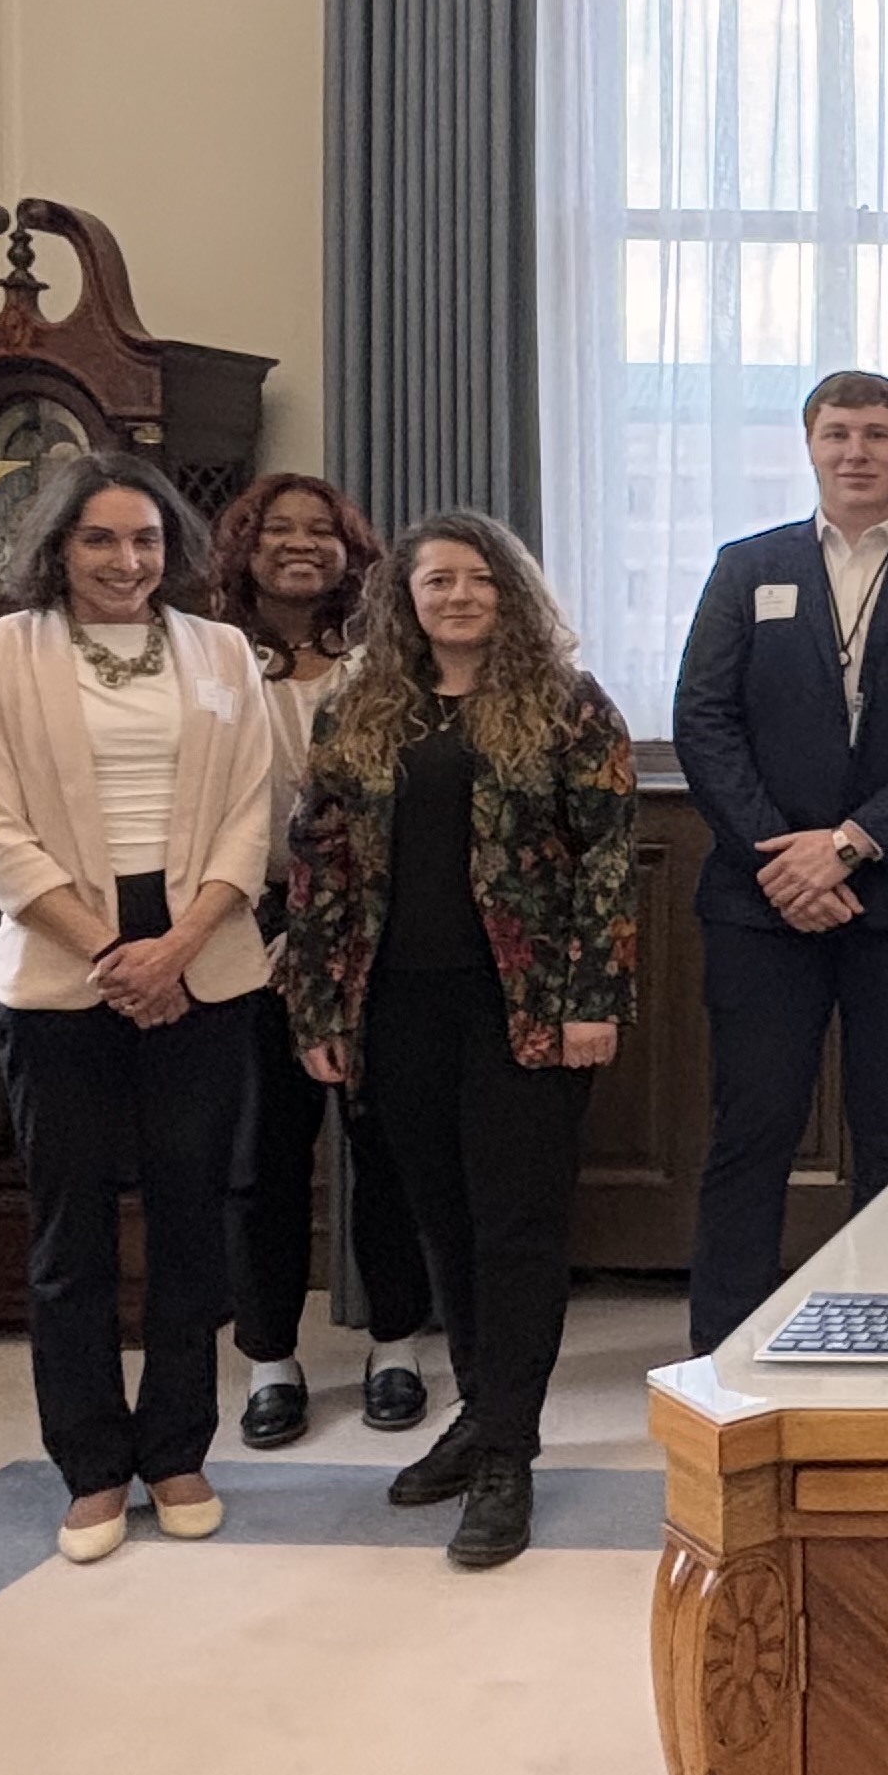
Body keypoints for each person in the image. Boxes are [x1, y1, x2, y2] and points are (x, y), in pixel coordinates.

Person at [281, 513, 635, 1571]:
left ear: (511, 593)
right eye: (438, 580)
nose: (459, 596)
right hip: (394, 1010)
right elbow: (320, 867)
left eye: (480, 579)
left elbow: (608, 864)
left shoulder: (570, 707)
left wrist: (593, 1001)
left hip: (525, 1008)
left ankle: (510, 1453)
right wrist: (319, 1015)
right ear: (407, 596)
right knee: (443, 1221)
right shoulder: (358, 708)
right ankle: (481, 1411)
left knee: (517, 1227)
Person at [0, 452, 276, 1566]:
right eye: (100, 541)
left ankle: (177, 1450)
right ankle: (90, 1465)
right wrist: (115, 956)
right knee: (71, 1230)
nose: (126, 562)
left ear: (168, 549)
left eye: (143, 541)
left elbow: (250, 815)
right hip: (60, 967)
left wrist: (178, 948)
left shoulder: (220, 651)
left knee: (192, 1216)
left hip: (203, 962)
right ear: (59, 548)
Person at [672, 370, 888, 1355]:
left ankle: (886, 1337)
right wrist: (785, 860)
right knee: (753, 1132)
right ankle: (722, 1355)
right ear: (810, 446)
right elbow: (703, 720)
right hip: (760, 901)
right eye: (837, 434)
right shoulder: (748, 567)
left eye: (876, 433)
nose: (856, 451)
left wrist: (850, 845)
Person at [206, 472, 435, 1448]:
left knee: (385, 1145)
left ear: (352, 551)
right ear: (245, 547)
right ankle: (270, 1361)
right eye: (277, 530)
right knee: (261, 1159)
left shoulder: (388, 659)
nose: (300, 545)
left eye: (321, 531)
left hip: (373, 932)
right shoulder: (208, 660)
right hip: (239, 929)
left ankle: (395, 1345)